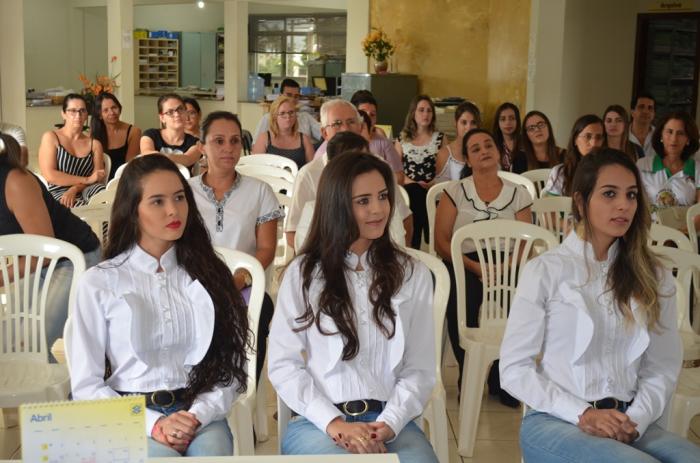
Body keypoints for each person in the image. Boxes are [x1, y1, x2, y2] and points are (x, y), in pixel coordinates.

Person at [500, 148, 700, 462]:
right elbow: (513, 370)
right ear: (580, 201)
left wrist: (636, 420)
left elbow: (662, 366)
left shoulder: (653, 274)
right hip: (557, 421)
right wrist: (582, 414)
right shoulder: (546, 271)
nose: (624, 205)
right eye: (609, 194)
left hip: (628, 420)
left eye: (631, 195)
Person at [68, 154, 250, 457]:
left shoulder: (208, 274)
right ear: (132, 211)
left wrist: (196, 416)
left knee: (213, 452)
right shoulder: (100, 282)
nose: (173, 210)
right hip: (128, 415)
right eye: (157, 202)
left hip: (198, 412)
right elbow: (85, 385)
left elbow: (230, 370)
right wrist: (154, 424)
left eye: (179, 198)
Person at [269, 152, 438, 462]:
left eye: (383, 196)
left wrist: (388, 424)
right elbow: (283, 365)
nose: (378, 210)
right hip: (318, 424)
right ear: (337, 207)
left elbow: (420, 368)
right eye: (363, 201)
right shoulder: (304, 273)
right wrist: (334, 424)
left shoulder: (413, 273)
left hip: (391, 421)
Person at [434, 128, 532, 405]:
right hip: (464, 261)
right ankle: (469, 371)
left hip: (508, 263)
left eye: (488, 145)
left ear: (498, 151)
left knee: (522, 299)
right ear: (467, 159)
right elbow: (442, 242)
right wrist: (476, 268)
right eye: (475, 149)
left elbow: (526, 241)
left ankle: (504, 377)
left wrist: (506, 268)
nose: (484, 151)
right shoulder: (455, 191)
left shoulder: (519, 193)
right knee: (461, 294)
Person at [189, 110, 283, 382]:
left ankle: (245, 396)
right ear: (202, 145)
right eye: (218, 141)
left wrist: (239, 279)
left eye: (233, 141)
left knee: (261, 310)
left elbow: (265, 248)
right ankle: (196, 393)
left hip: (243, 284)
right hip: (196, 283)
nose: (228, 148)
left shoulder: (259, 191)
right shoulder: (186, 191)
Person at [1, 133, 100, 360]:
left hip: (72, 258)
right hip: (33, 264)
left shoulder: (15, 181)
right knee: (11, 342)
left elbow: (47, 251)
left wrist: (2, 276)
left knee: (29, 344)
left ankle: (64, 392)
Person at [284, 99, 363, 248]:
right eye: (337, 123)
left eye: (351, 122)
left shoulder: (380, 168)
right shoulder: (309, 175)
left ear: (360, 127)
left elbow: (404, 218)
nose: (345, 129)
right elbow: (293, 233)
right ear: (324, 132)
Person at [38, 93, 106, 207]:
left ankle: (110, 224)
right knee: (80, 208)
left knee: (103, 195)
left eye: (82, 111)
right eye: (72, 111)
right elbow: (50, 175)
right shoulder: (51, 137)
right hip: (59, 191)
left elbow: (97, 178)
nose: (78, 115)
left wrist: (75, 188)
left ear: (86, 115)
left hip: (85, 188)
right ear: (63, 114)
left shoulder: (95, 144)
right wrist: (87, 179)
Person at [396, 95, 445, 248]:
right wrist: (415, 182)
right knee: (414, 191)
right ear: (413, 113)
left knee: (425, 195)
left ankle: (426, 242)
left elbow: (444, 171)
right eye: (421, 110)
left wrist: (432, 183)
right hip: (409, 188)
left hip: (433, 188)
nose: (425, 114)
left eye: (429, 111)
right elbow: (397, 171)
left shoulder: (440, 138)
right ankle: (418, 242)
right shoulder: (402, 139)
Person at [636, 111, 700, 214]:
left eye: (680, 133)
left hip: (684, 229)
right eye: (669, 132)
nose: (674, 139)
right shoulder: (642, 165)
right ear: (661, 135)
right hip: (650, 229)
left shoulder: (698, 170)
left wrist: (686, 229)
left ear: (688, 139)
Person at [543, 114, 605, 197]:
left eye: (598, 137)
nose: (593, 143)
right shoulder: (560, 173)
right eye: (588, 136)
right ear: (575, 139)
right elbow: (552, 207)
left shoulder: (608, 172)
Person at [140, 93, 201, 170]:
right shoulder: (150, 135)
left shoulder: (196, 143)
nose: (177, 114)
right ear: (162, 118)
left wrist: (157, 156)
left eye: (180, 109)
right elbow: (146, 154)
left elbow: (187, 159)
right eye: (170, 112)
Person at [251, 95, 314, 169]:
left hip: (298, 180)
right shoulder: (264, 138)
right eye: (282, 113)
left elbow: (312, 170)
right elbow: (254, 168)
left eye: (291, 112)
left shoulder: (304, 139)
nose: (288, 116)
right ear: (274, 117)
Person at [90, 92, 142, 179]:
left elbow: (129, 165)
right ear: (100, 115)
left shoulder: (134, 131)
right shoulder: (94, 132)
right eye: (106, 110)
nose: (112, 112)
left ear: (119, 108)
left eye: (114, 107)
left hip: (124, 178)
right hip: (99, 180)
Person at [253, 78, 322, 144]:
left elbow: (325, 134)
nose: (292, 99)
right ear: (280, 96)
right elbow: (255, 145)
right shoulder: (268, 118)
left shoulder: (305, 117)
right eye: (289, 95)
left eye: (296, 96)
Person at [435, 101, 480, 182]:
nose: (468, 127)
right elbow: (439, 190)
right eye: (464, 122)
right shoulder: (444, 154)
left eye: (473, 123)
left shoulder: (485, 150)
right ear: (456, 124)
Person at [493, 102, 526, 173]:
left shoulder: (525, 142)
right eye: (503, 119)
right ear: (498, 123)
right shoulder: (492, 144)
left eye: (512, 118)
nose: (507, 122)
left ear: (517, 121)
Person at [629, 92, 656, 159]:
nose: (646, 111)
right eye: (641, 107)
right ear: (632, 112)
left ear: (654, 114)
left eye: (650, 108)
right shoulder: (623, 135)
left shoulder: (660, 136)